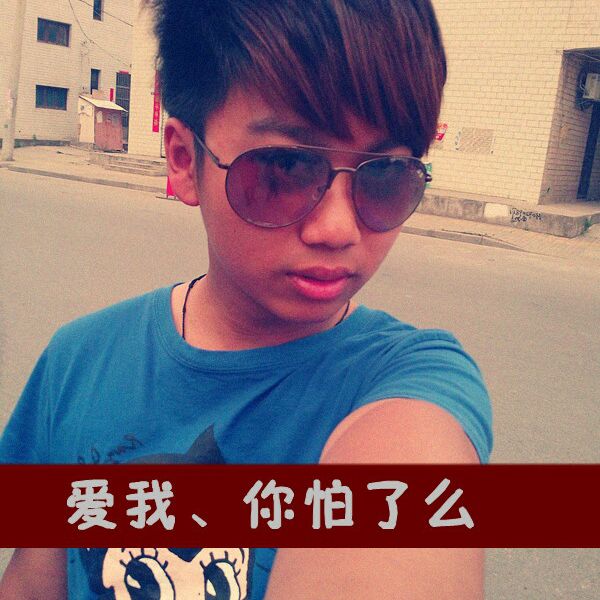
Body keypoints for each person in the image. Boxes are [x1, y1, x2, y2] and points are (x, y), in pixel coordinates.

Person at [0, 0, 492, 598]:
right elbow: (35, 579)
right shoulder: (79, 361)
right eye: (284, 167)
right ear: (185, 160)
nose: (338, 229)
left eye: (386, 174)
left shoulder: (414, 381)